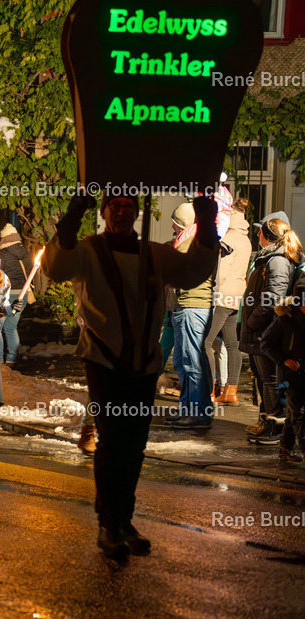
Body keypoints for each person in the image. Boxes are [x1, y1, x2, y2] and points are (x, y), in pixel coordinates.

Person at [43, 190, 218, 560]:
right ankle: (109, 524)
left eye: (128, 207)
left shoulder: (156, 254)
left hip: (143, 364)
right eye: (115, 206)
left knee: (134, 446)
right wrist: (71, 218)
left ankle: (124, 520)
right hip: (104, 361)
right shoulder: (89, 250)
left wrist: (206, 223)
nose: (121, 212)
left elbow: (194, 271)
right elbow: (56, 268)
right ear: (106, 212)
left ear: (137, 213)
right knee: (111, 442)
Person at [240, 214, 302, 446]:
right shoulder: (272, 258)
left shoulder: (277, 261)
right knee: (267, 381)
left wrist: (252, 322)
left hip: (264, 329)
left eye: (261, 231)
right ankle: (270, 425)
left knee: (271, 381)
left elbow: (272, 298)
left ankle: (276, 430)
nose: (257, 235)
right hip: (261, 329)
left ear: (269, 236)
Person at [166, 202, 217, 429]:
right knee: (183, 361)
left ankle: (198, 414)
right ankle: (189, 409)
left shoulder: (190, 243)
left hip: (190, 307)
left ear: (183, 224)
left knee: (191, 362)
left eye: (176, 225)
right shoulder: (192, 240)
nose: (174, 229)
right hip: (187, 307)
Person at [206, 197, 251, 406]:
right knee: (233, 345)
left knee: (205, 342)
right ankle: (231, 392)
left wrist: (212, 293)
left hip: (222, 295)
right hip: (237, 296)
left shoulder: (228, 239)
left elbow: (221, 272)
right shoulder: (246, 239)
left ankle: (208, 391)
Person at [259, 289, 305, 463]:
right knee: (298, 412)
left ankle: (286, 447)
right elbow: (265, 344)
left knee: (295, 414)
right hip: (290, 375)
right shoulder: (284, 320)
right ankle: (292, 447)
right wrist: (284, 360)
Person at [0, 223, 32, 363]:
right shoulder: (25, 252)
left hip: (6, 294)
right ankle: (12, 359)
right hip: (22, 294)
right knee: (11, 328)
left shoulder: (2, 254)